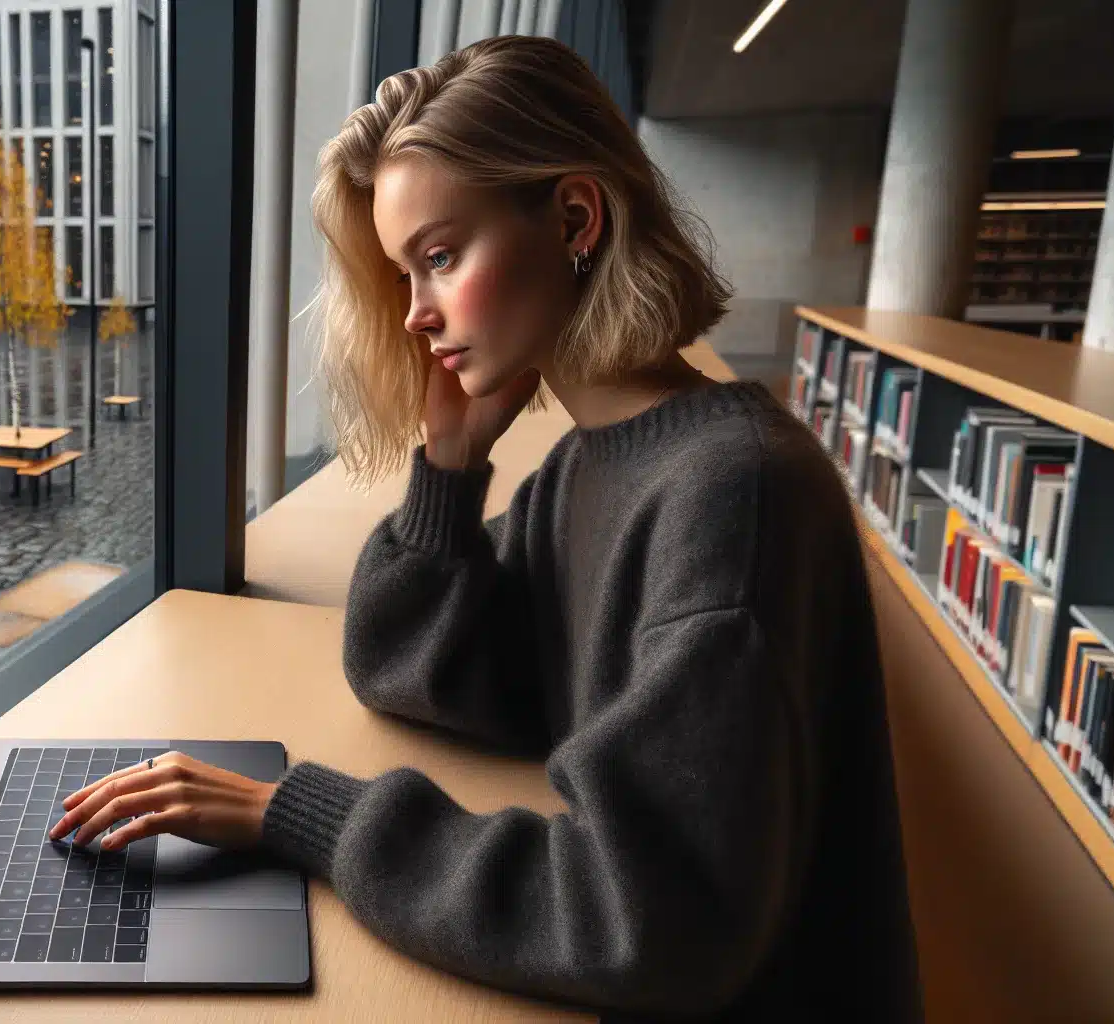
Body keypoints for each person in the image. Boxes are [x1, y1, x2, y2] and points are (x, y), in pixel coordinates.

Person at [48, 35, 920, 1022]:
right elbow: (415, 664)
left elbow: (648, 922)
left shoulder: (729, 496)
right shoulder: (598, 461)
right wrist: (447, 466)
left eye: (439, 256)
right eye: (404, 273)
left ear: (575, 218)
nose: (415, 315)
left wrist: (298, 813)